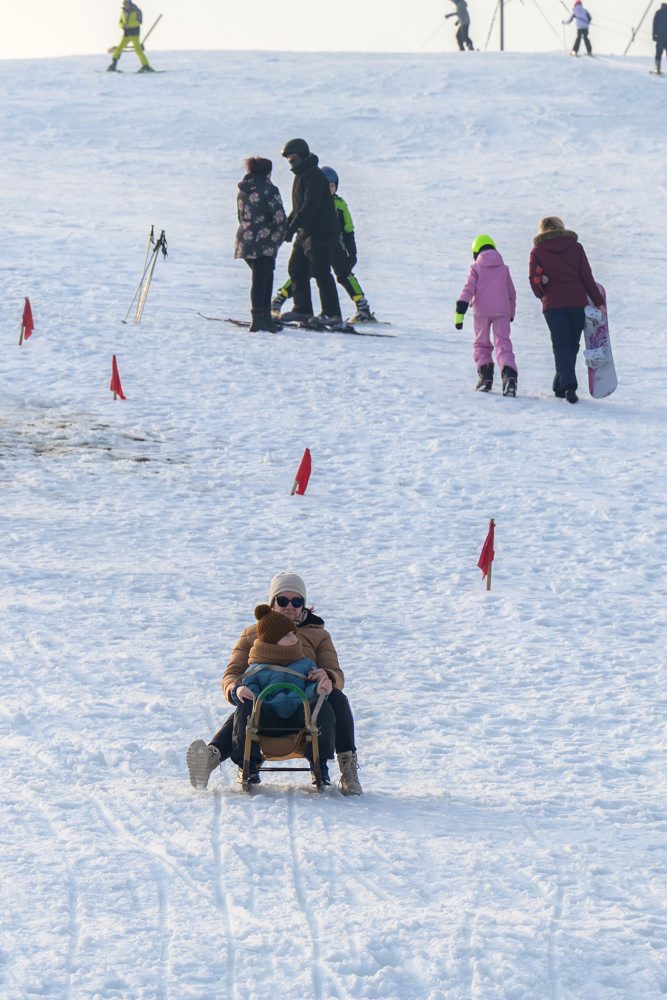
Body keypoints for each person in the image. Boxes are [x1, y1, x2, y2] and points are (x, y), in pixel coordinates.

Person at [186, 572, 363, 794]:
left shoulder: (318, 635)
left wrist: (327, 676)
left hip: (305, 707)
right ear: (272, 603)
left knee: (337, 698)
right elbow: (232, 673)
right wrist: (235, 688)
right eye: (283, 600)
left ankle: (348, 768)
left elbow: (336, 672)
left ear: (304, 604)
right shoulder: (252, 634)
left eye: (296, 601)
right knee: (246, 706)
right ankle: (210, 759)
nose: (290, 606)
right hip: (264, 705)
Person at [229, 604, 336, 783]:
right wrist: (240, 691)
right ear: (272, 640)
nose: (294, 637)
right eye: (287, 635)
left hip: (300, 716)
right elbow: (251, 692)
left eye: (293, 633)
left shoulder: (305, 664)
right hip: (267, 716)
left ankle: (320, 763)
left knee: (323, 708)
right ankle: (247, 764)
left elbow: (309, 687)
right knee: (244, 708)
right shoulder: (256, 668)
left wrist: (316, 689)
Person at [272, 166, 375, 323]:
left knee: (344, 274)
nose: (328, 189)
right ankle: (280, 298)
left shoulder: (339, 204)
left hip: (336, 247)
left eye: (332, 186)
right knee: (302, 272)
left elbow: (348, 230)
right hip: (314, 243)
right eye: (325, 186)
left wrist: (352, 252)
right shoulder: (312, 201)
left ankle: (362, 307)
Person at [528, 216, 605, 404]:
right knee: (571, 344)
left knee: (561, 344)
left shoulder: (537, 251)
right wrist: (599, 302)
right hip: (577, 302)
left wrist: (542, 293)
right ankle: (561, 385)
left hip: (553, 305)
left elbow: (533, 281)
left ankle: (568, 385)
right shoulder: (575, 247)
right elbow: (587, 276)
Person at [279, 139, 343, 326]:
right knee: (296, 268)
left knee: (320, 271)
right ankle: (302, 309)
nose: (291, 162)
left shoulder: (314, 175)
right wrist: (287, 226)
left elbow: (310, 206)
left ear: (302, 155)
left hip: (321, 232)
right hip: (306, 232)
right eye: (288, 159)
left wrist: (292, 228)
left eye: (293, 158)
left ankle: (332, 314)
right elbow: (298, 208)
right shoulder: (301, 175)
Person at [455, 234, 518, 396]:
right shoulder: (504, 268)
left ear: (476, 252)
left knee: (481, 343)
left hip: (481, 311)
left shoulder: (475, 268)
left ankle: (485, 377)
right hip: (502, 310)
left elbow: (469, 288)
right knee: (503, 343)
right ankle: (509, 376)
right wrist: (511, 313)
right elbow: (511, 293)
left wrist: (461, 308)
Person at [234, 156, 287, 332]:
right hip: (265, 240)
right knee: (261, 279)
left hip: (245, 239)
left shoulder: (243, 190)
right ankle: (258, 319)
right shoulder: (269, 189)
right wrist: (284, 233)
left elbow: (240, 215)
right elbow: (279, 216)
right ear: (267, 172)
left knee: (264, 276)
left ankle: (264, 317)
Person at [107, 1, 154, 73]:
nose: (125, 5)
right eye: (124, 4)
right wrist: (122, 26)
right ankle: (113, 65)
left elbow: (139, 22)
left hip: (134, 33)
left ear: (130, 4)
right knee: (119, 48)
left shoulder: (137, 11)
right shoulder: (123, 12)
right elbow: (120, 22)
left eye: (126, 4)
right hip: (126, 34)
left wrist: (129, 25)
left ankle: (146, 66)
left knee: (138, 50)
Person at [653, 2, 667, 74]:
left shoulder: (658, 12)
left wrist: (654, 36)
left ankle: (657, 68)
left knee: (658, 53)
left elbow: (654, 25)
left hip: (660, 37)